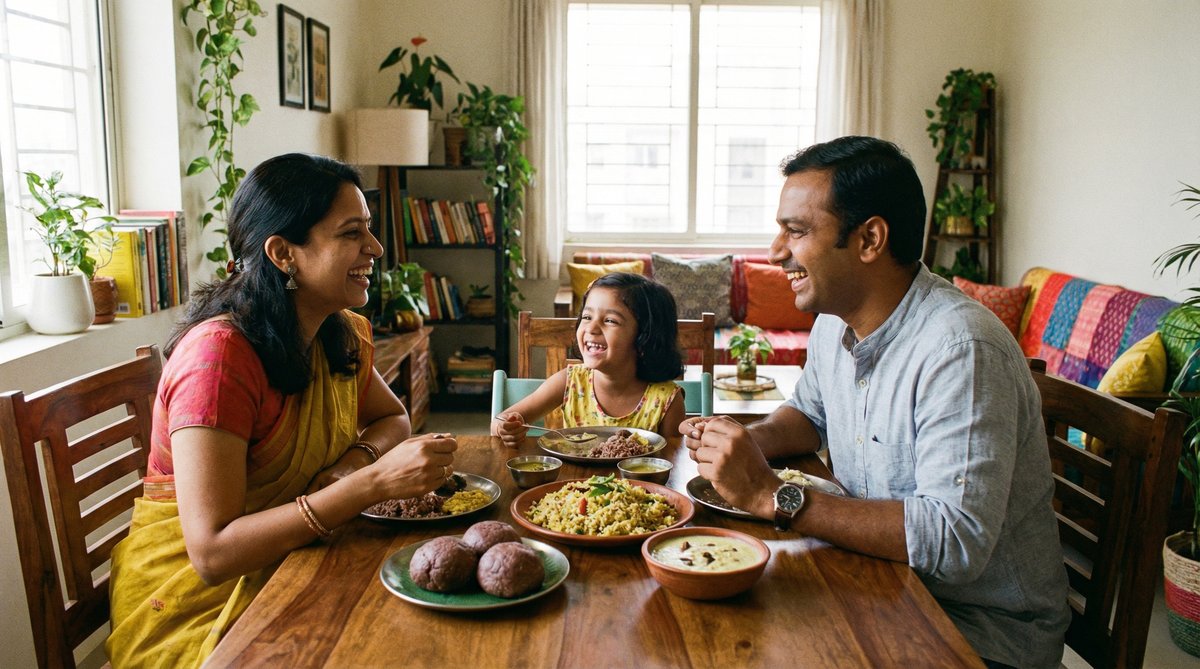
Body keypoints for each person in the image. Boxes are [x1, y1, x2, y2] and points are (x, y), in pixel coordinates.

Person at [681, 136, 1069, 669]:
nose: (774, 252)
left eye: (795, 231)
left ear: (870, 239)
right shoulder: (832, 321)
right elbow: (809, 414)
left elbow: (954, 542)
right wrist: (748, 441)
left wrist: (775, 497)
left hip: (976, 634)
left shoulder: (960, 349)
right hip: (882, 582)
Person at [106, 153, 457, 667]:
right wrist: (370, 485)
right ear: (283, 253)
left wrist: (351, 463)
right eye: (351, 233)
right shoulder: (219, 360)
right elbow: (213, 554)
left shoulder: (335, 330)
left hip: (296, 558)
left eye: (370, 230)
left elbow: (392, 418)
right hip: (195, 611)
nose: (375, 249)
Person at [492, 272, 687, 445]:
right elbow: (499, 421)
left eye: (610, 320)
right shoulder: (570, 382)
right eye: (586, 317)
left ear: (645, 337)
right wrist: (507, 428)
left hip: (641, 486)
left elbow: (673, 461)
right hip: (571, 485)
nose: (591, 329)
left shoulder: (666, 399)